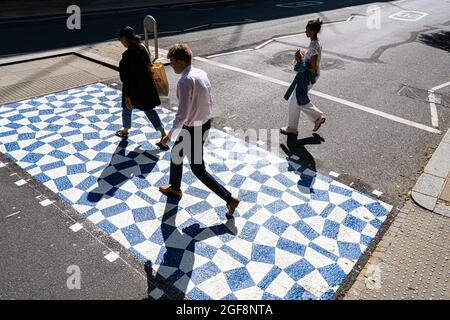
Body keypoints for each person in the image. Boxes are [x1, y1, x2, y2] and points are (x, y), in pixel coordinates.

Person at [158, 43, 240, 219]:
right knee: (176, 154)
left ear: (180, 61)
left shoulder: (185, 81)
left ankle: (229, 198)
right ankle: (175, 188)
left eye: (172, 61)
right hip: (203, 124)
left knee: (198, 169)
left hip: (192, 129)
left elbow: (182, 114)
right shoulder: (201, 73)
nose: (170, 65)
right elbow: (207, 101)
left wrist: (168, 136)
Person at [117, 26, 168, 149]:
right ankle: (162, 133)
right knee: (149, 110)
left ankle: (126, 130)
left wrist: (128, 96)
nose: (121, 42)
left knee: (126, 108)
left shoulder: (128, 54)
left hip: (133, 89)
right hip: (146, 87)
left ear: (124, 39)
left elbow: (126, 77)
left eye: (121, 40)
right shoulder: (142, 48)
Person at [280, 18, 326, 135]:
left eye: (307, 30)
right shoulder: (314, 42)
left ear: (314, 30)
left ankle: (296, 126)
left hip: (309, 77)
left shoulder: (314, 47)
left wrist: (300, 60)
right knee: (297, 100)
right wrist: (302, 56)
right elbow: (310, 60)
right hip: (307, 76)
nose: (305, 31)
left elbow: (313, 68)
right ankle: (311, 120)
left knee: (296, 100)